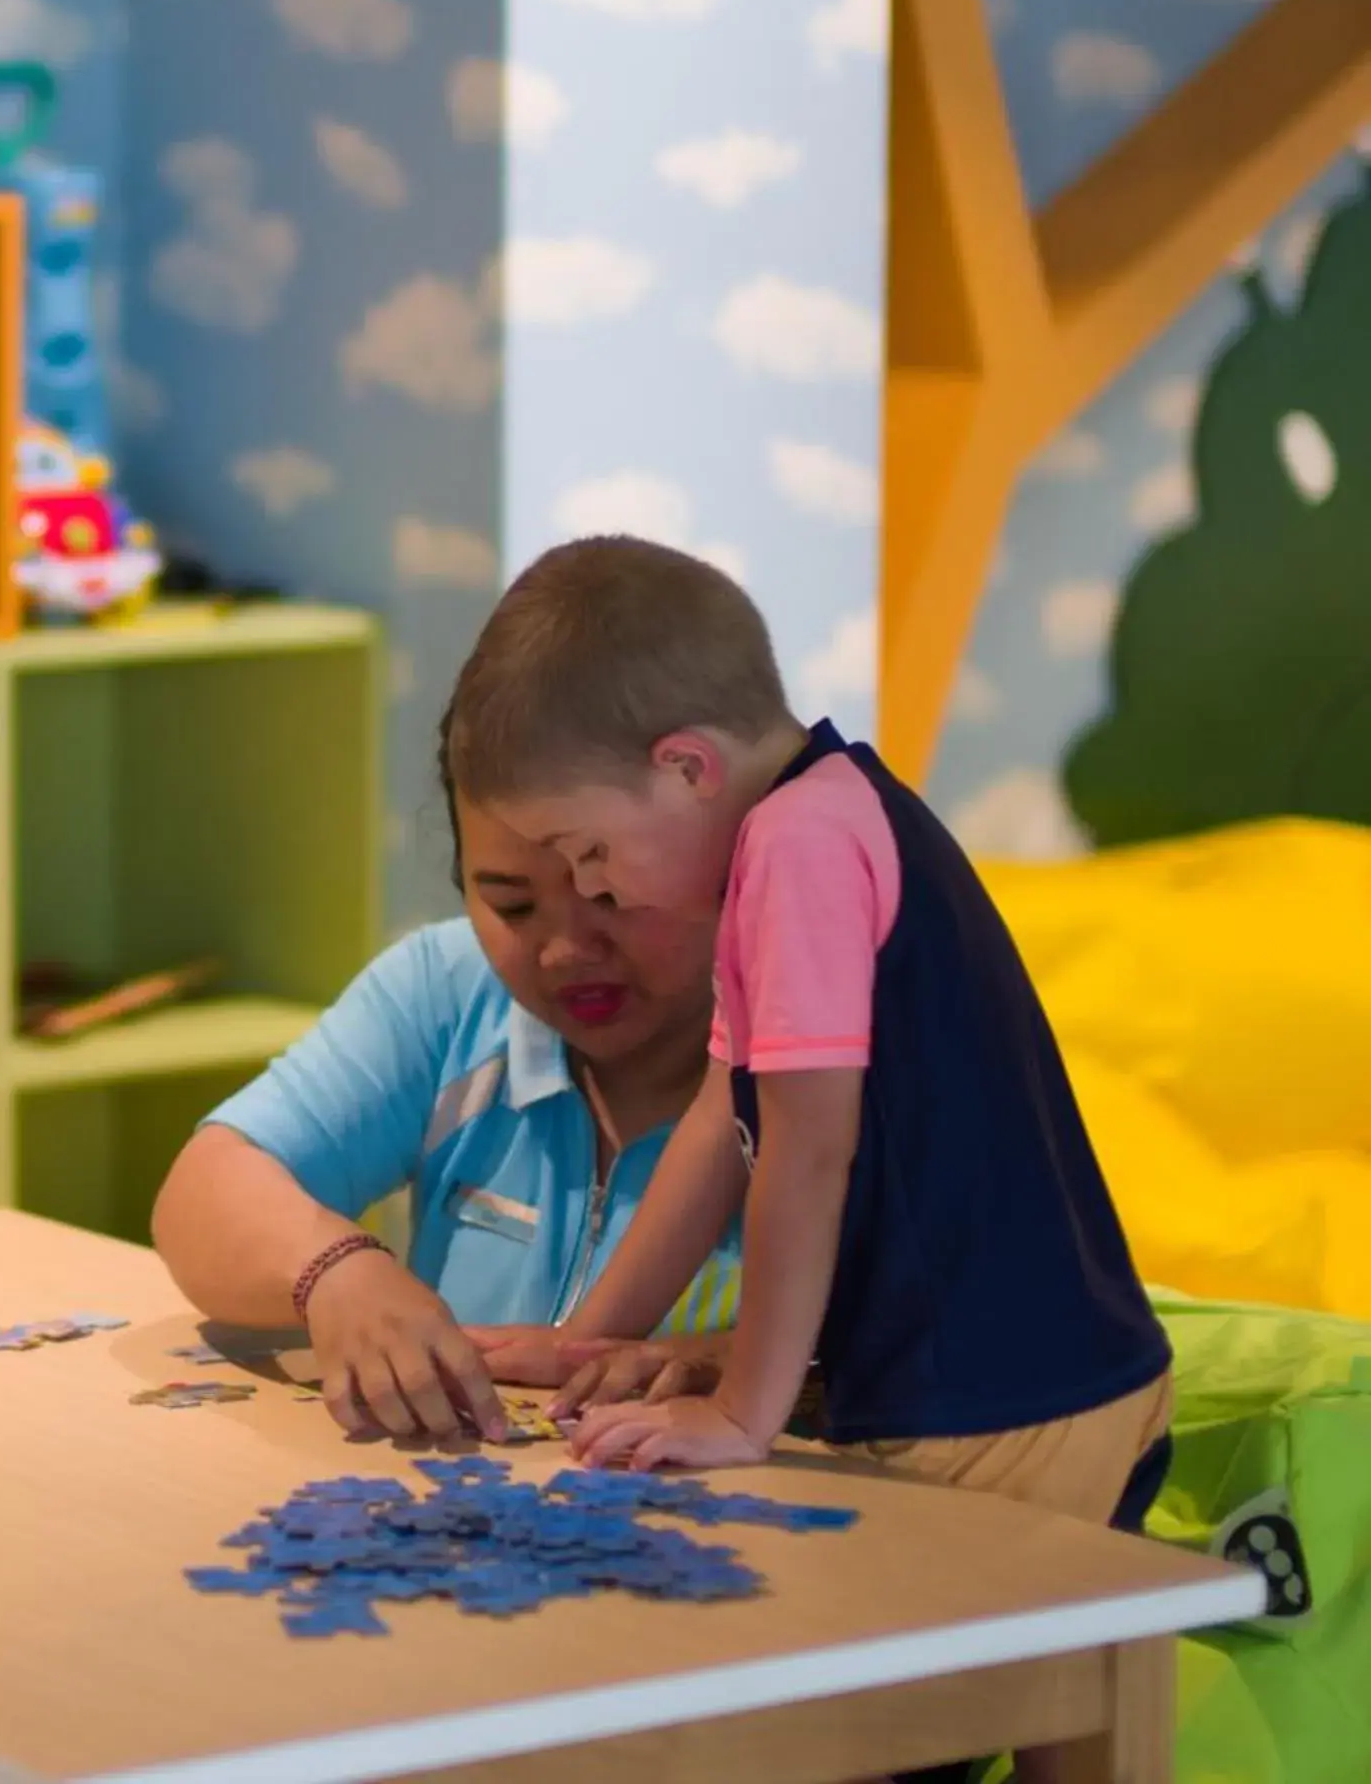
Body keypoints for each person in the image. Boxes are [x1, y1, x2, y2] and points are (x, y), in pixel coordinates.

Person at [440, 535, 1172, 1549]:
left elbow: (806, 1148)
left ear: (688, 766)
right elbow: (719, 1117)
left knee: (881, 1691)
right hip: (1000, 1382)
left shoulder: (803, 844)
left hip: (1006, 1398)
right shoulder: (800, 828)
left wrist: (743, 1411)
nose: (596, 886)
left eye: (590, 849)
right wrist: (588, 1341)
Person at [151, 720, 748, 1445]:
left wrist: (738, 1361)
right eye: (511, 905)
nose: (566, 950)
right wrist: (336, 1270)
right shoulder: (450, 988)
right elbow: (206, 1186)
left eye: (612, 896)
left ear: (727, 865)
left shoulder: (828, 1054)